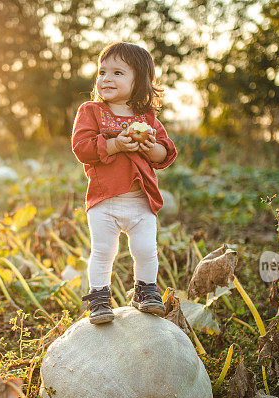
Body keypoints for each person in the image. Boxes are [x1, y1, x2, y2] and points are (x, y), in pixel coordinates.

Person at [71, 42, 177, 324]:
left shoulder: (148, 118)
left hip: (141, 201)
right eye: (102, 72)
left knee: (145, 249)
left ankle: (145, 290)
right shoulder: (91, 111)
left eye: (118, 73)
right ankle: (99, 297)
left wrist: (148, 145)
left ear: (139, 81)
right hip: (104, 200)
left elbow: (164, 153)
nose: (106, 78)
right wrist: (115, 143)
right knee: (104, 250)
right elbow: (81, 147)